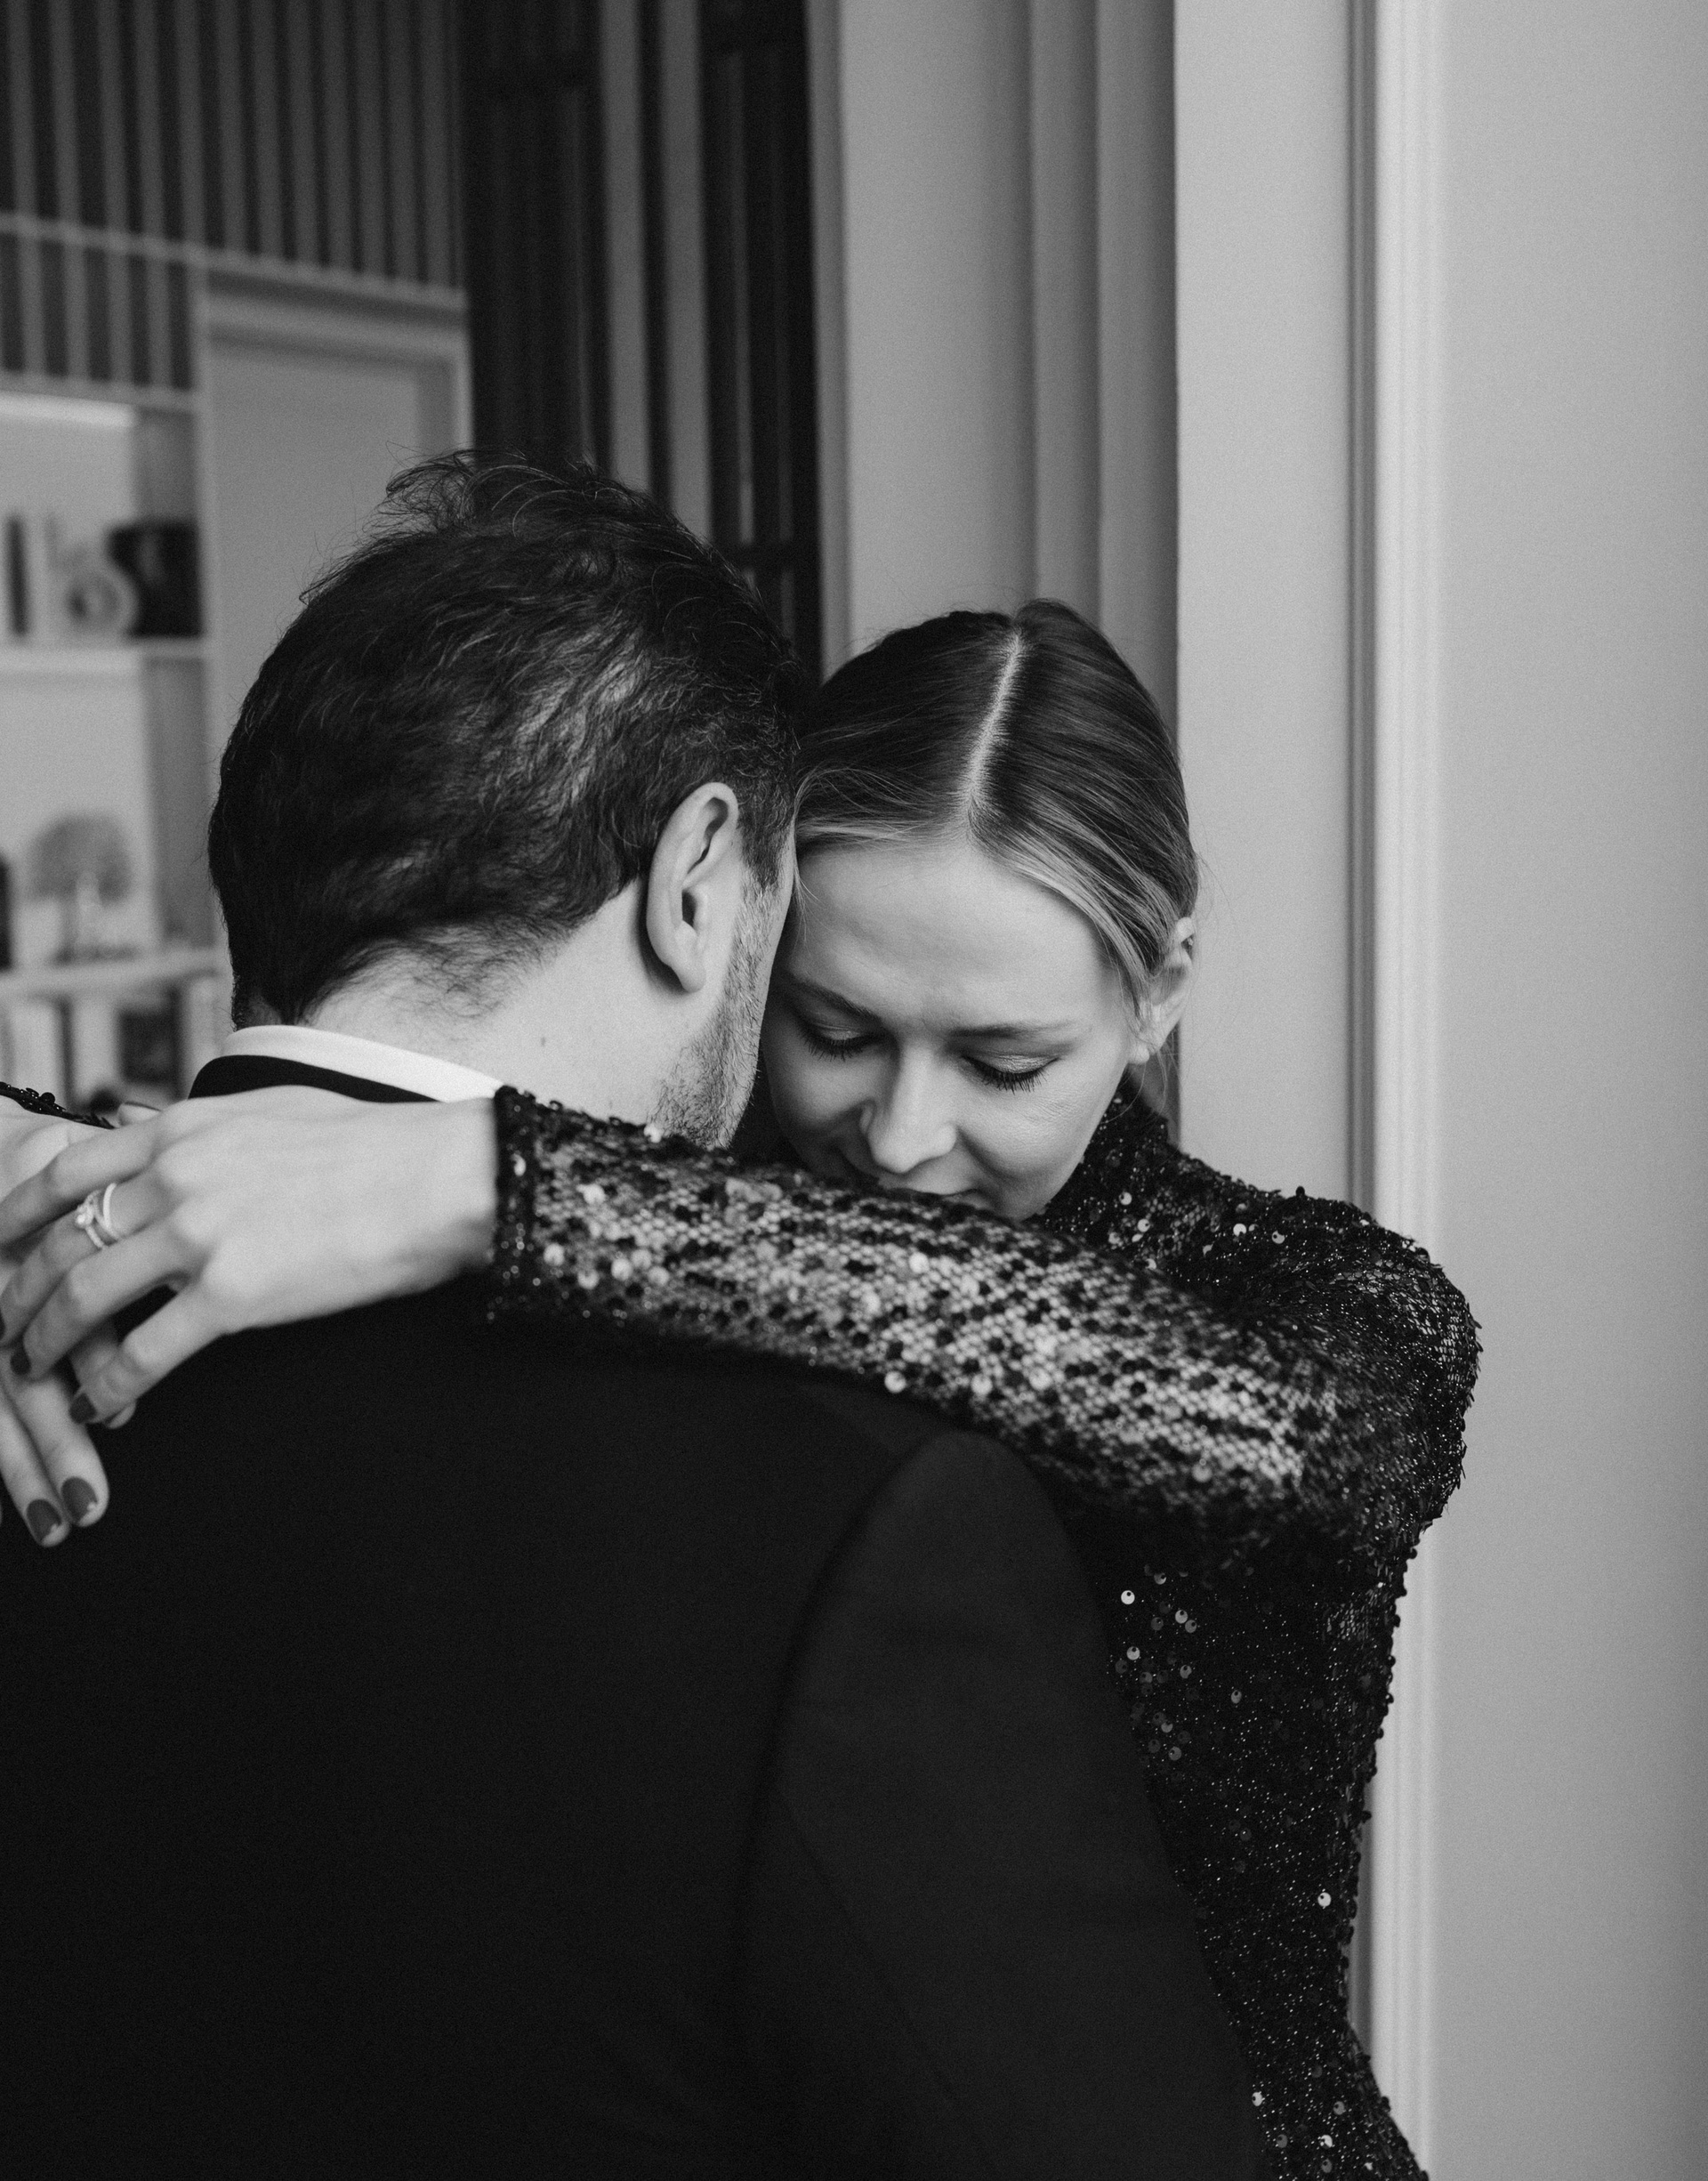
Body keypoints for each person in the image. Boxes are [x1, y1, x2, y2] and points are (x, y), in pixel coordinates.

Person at [0, 487, 1482, 2181]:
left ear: (1158, 995)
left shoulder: (1322, 1309)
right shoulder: (666, 1245)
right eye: (833, 1027)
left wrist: (499, 1180)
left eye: (1003, 1063)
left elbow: (1276, 1434)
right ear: (738, 919)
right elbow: (214, 1178)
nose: (904, 1135)